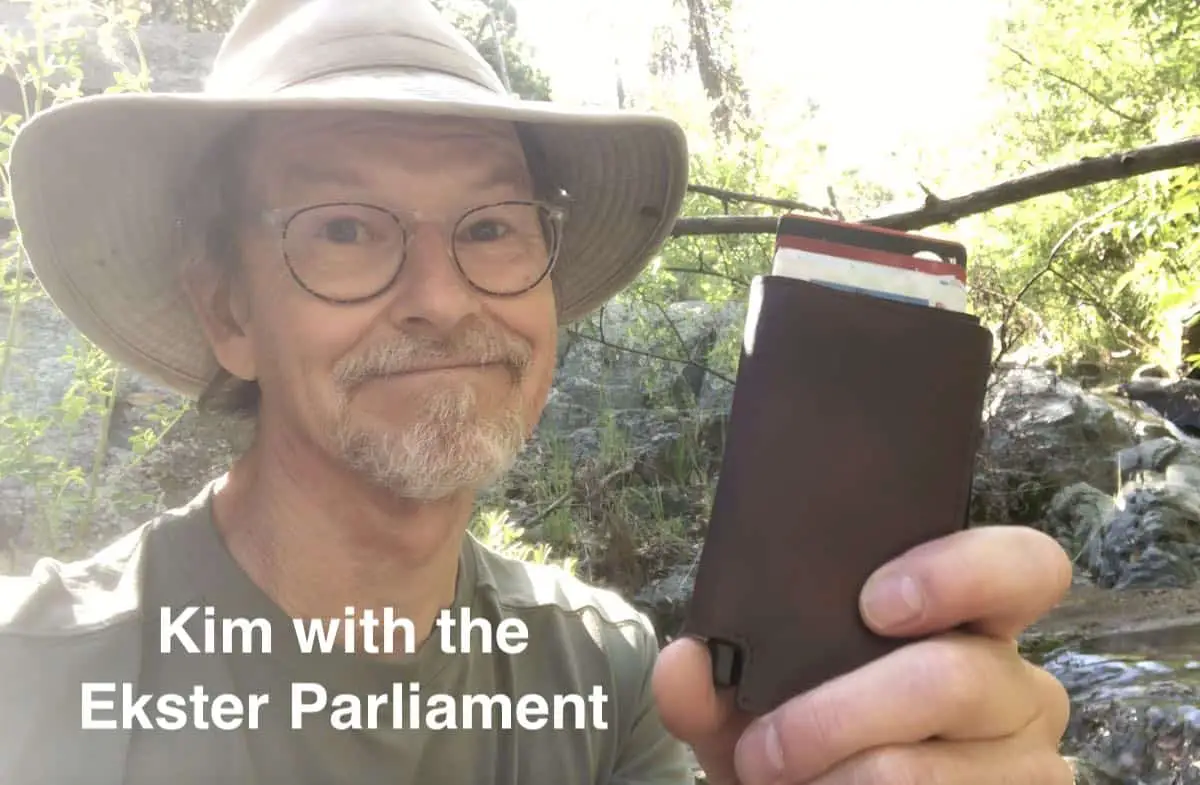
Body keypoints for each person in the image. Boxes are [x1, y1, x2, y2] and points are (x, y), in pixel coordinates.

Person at [0, 0, 1075, 783]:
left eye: (489, 227)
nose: (441, 297)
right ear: (228, 311)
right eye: (341, 229)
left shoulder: (605, 678)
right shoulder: (37, 683)